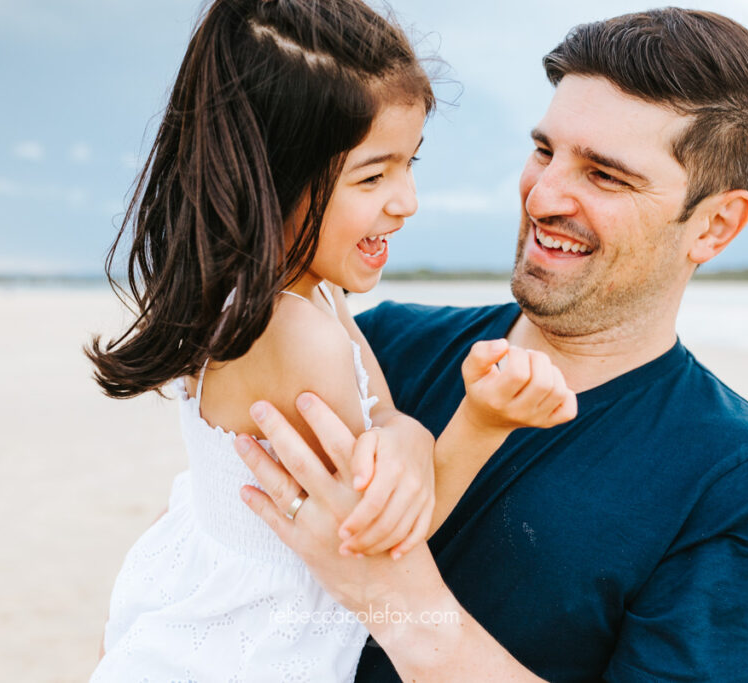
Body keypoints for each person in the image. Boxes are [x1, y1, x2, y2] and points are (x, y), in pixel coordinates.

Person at [236, 8, 748, 682]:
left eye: (604, 175)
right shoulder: (377, 347)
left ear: (714, 225)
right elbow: (200, 564)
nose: (542, 196)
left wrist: (395, 599)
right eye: (544, 151)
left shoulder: (738, 478)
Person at [85, 1, 575, 680]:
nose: (406, 199)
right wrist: (485, 419)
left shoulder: (295, 292)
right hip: (242, 653)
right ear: (275, 176)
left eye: (410, 162)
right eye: (373, 176)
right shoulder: (292, 336)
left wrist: (402, 431)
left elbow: (378, 415)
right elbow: (388, 533)